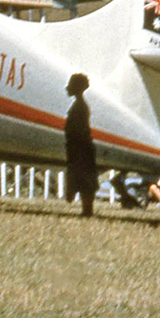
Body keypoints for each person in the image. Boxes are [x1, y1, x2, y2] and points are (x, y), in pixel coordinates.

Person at [63, 73, 97, 216]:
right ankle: (86, 210)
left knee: (84, 180)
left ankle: (87, 211)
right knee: (84, 180)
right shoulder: (80, 105)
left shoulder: (80, 107)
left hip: (79, 149)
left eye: (71, 85)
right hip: (80, 148)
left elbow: (78, 130)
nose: (67, 89)